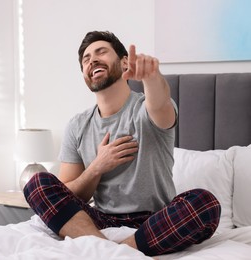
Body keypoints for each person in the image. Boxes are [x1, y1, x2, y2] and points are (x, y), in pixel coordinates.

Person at [23, 31, 221, 256]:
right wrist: (98, 166)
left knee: (205, 203)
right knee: (36, 182)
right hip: (99, 221)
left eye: (101, 52)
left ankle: (114, 252)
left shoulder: (146, 109)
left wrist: (151, 77)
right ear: (85, 75)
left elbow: (160, 102)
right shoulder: (77, 125)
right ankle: (108, 249)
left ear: (125, 62)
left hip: (154, 222)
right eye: (86, 59)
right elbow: (68, 192)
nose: (92, 60)